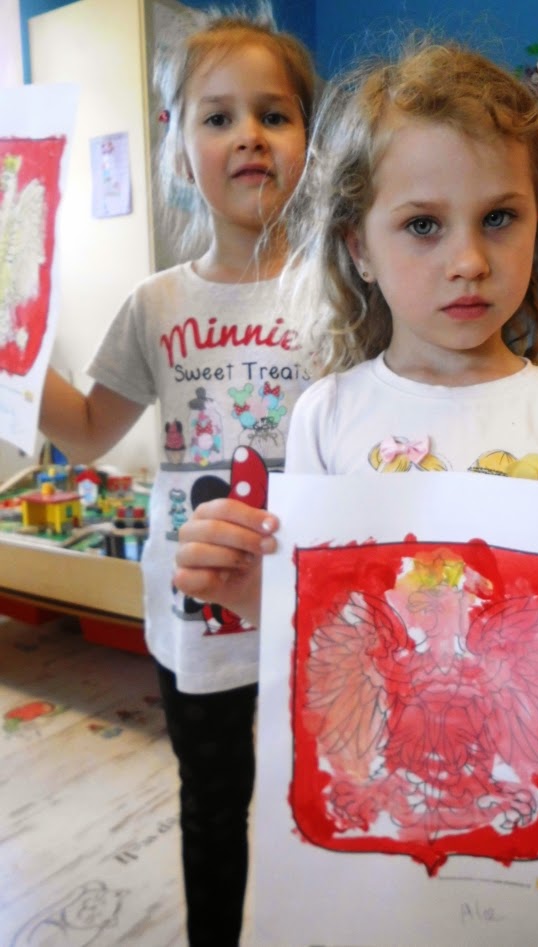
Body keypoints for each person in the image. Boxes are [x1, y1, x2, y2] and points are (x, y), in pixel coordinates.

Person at [173, 40, 538, 664]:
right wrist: (250, 592)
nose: (468, 262)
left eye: (499, 218)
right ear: (360, 248)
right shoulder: (326, 415)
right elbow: (317, 621)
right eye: (422, 225)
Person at [38, 9, 317, 945]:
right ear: (178, 147)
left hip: (315, 602)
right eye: (219, 116)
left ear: (309, 140)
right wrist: (16, 360)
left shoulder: (348, 288)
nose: (249, 136)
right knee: (212, 803)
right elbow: (87, 433)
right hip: (196, 615)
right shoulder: (154, 303)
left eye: (274, 114)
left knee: (318, 800)